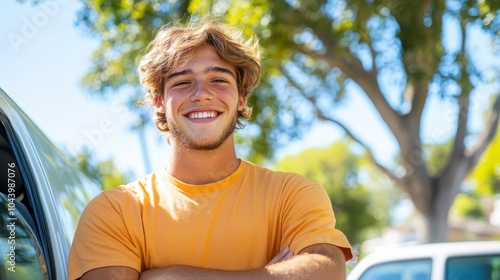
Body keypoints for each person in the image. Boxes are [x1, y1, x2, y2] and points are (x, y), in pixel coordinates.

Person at [68, 16, 353, 280]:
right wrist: (272, 273)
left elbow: (327, 270)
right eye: (183, 82)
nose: (202, 94)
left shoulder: (292, 195)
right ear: (159, 102)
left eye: (218, 80)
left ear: (241, 98)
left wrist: (173, 276)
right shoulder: (115, 211)